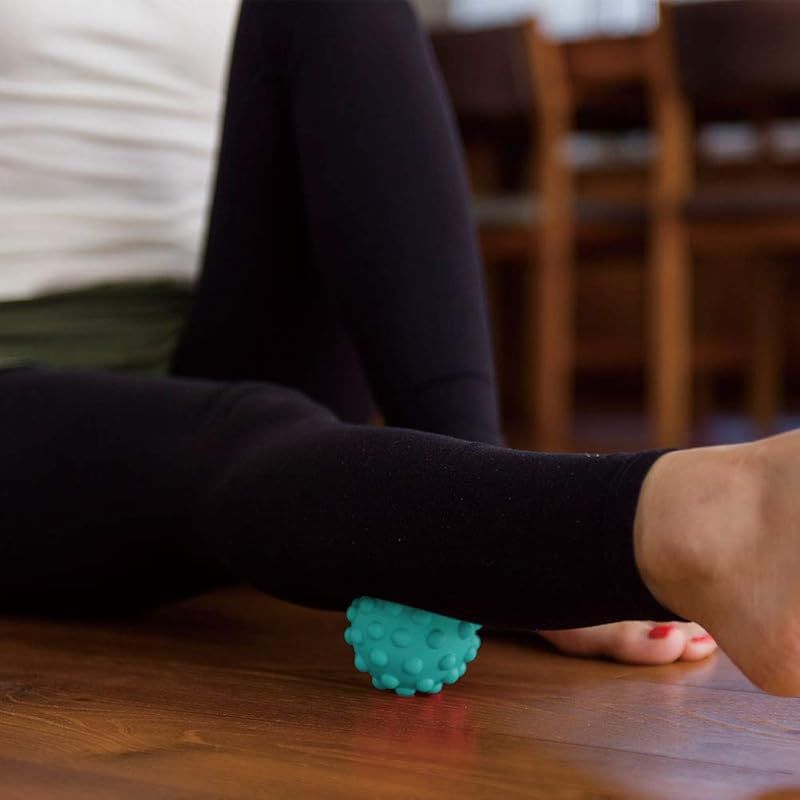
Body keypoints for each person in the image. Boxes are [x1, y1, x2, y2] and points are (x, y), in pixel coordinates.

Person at [1, 0, 798, 697]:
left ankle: (485, 521)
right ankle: (691, 520)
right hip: (23, 370)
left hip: (214, 322)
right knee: (248, 432)